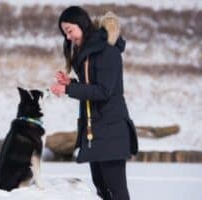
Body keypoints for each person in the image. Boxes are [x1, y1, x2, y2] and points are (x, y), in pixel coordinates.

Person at [50, 6, 138, 200]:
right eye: (65, 33)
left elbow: (104, 91)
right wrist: (71, 83)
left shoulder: (107, 51)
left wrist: (68, 90)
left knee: (117, 191)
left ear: (81, 24)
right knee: (102, 189)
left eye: (70, 30)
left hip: (111, 129)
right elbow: (92, 87)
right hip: (95, 131)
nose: (68, 37)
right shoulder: (88, 54)